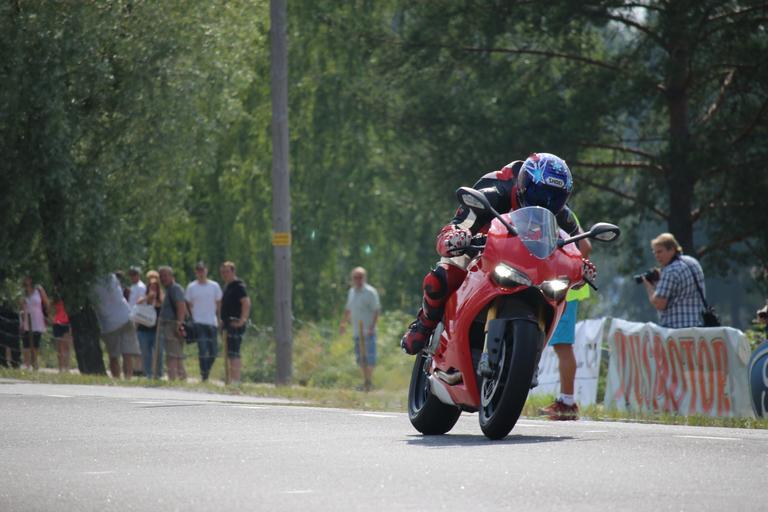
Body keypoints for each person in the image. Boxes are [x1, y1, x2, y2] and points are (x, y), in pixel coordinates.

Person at [401, 153, 597, 355]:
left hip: (529, 262)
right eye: (538, 194)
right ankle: (424, 325)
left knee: (558, 295)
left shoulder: (561, 214)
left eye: (555, 198)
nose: (545, 202)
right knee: (442, 278)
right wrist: (456, 237)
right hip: (481, 244)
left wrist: (580, 268)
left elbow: (577, 246)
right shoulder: (495, 190)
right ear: (523, 185)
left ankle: (533, 354)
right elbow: (458, 225)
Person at [643, 233, 706, 329]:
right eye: (654, 252)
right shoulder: (693, 262)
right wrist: (661, 281)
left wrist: (649, 286)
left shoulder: (670, 271)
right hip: (698, 326)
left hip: (676, 331)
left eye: (660, 252)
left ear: (672, 249)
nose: (657, 256)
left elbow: (659, 304)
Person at [92, 273, 141, 379]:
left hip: (110, 323)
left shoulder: (91, 284)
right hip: (126, 316)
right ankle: (128, 378)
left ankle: (117, 380)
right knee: (127, 354)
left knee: (114, 356)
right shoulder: (111, 276)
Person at [339, 267, 380, 391]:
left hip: (368, 332)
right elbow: (348, 309)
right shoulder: (351, 292)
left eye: (360, 277)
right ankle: (366, 382)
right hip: (357, 331)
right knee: (360, 358)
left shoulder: (370, 292)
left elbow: (376, 310)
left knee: (370, 358)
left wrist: (372, 327)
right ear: (352, 278)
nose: (358, 280)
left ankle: (369, 382)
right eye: (355, 277)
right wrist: (343, 324)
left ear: (364, 278)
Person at [186, 261, 222, 381]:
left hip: (212, 322)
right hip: (198, 322)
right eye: (199, 270)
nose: (201, 273)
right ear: (196, 272)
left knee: (213, 351)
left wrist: (219, 318)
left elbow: (218, 303)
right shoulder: (192, 287)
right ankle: (204, 375)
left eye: (203, 270)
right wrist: (191, 318)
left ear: (206, 271)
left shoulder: (214, 286)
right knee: (202, 349)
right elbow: (188, 303)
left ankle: (206, 370)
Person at [219, 261, 250, 385]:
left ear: (233, 271)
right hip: (227, 324)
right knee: (229, 353)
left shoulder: (238, 286)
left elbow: (246, 303)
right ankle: (230, 380)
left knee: (234, 353)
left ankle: (236, 381)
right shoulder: (227, 286)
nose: (224, 274)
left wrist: (242, 321)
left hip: (235, 324)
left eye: (227, 271)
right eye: (222, 272)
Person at [158, 266, 188, 381]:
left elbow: (181, 306)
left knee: (172, 355)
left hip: (173, 326)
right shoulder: (169, 290)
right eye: (161, 276)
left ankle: (173, 379)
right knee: (176, 354)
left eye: (165, 275)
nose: (163, 278)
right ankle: (181, 379)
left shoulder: (175, 288)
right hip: (170, 325)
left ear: (171, 276)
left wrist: (179, 324)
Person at [136, 271, 164, 379]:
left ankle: (159, 374)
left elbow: (163, 307)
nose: (153, 288)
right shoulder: (143, 296)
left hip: (157, 331)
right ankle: (148, 374)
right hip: (143, 330)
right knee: (146, 353)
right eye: (151, 286)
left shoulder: (162, 297)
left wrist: (156, 299)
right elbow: (137, 305)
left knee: (159, 353)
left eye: (155, 286)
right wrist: (148, 298)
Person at [19, 276, 49, 370]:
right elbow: (22, 308)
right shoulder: (22, 292)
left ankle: (35, 364)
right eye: (25, 278)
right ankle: (27, 365)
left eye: (28, 278)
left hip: (38, 320)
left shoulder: (38, 290)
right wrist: (23, 322)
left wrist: (47, 316)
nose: (27, 280)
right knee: (26, 345)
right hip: (27, 321)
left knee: (35, 345)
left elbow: (46, 302)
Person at [51, 296, 72, 373]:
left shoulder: (67, 298)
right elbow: (50, 310)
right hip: (57, 324)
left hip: (66, 323)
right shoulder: (54, 299)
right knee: (59, 347)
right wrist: (52, 318)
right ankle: (60, 368)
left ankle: (67, 368)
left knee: (67, 346)